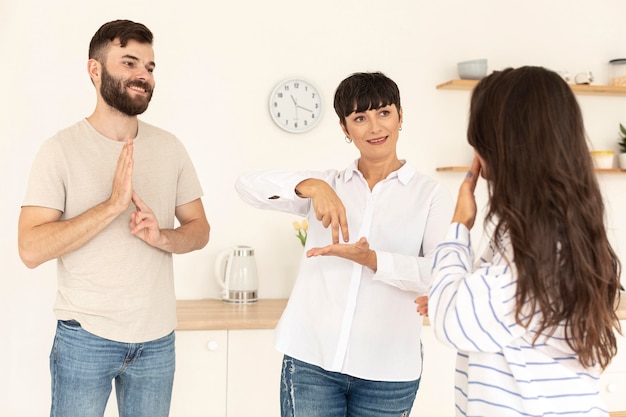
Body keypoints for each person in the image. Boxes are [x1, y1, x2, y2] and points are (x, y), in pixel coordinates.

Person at [17, 20, 210, 417]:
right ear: (95, 70)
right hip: (85, 339)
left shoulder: (170, 148)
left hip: (157, 340)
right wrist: (110, 206)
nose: (144, 75)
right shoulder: (59, 150)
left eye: (150, 67)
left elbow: (200, 230)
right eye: (129, 62)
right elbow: (30, 249)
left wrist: (163, 238)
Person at [235, 71, 453, 417]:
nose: (374, 127)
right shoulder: (328, 184)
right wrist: (310, 185)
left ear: (400, 116)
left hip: (389, 371)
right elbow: (246, 186)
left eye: (384, 113)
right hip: (312, 362)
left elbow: (442, 274)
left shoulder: (430, 195)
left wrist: (373, 260)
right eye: (360, 118)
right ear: (344, 129)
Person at [427, 66, 622, 416]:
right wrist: (455, 291)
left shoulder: (536, 248)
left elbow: (450, 322)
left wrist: (459, 226)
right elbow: (480, 309)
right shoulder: (560, 231)